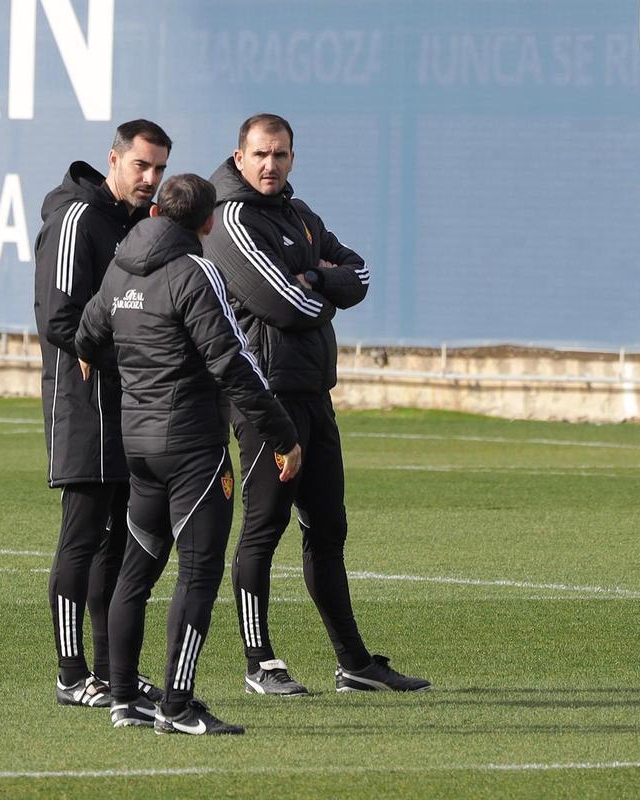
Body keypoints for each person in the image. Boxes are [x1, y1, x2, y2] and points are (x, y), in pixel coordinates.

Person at [203, 113, 431, 695]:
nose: (269, 165)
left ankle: (354, 663)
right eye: (259, 154)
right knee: (263, 526)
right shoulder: (231, 219)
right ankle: (261, 664)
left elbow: (361, 275)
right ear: (238, 157)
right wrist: (317, 283)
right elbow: (285, 306)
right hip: (266, 400)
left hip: (314, 394)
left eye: (279, 155)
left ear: (292, 158)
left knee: (329, 528)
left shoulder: (301, 216)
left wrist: (313, 278)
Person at [74, 174, 302, 735]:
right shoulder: (196, 271)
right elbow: (232, 361)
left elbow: (87, 332)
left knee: (136, 571)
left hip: (139, 446)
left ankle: (123, 698)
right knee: (197, 574)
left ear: (155, 209)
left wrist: (116, 369)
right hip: (192, 451)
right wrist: (283, 434)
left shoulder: (123, 265)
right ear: (209, 221)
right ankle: (177, 705)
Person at [33, 119, 171, 708]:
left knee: (121, 540)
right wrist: (121, 350)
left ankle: (115, 669)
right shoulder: (76, 219)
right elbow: (60, 321)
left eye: (160, 168)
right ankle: (70, 675)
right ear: (113, 159)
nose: (150, 178)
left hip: (131, 403)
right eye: (141, 166)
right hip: (83, 406)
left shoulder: (144, 224)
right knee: (83, 537)